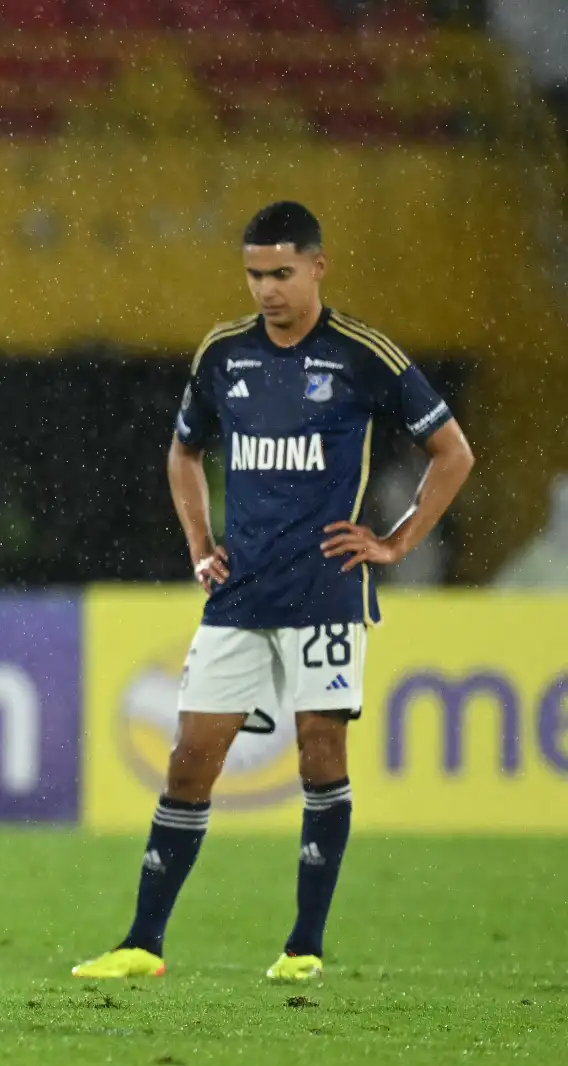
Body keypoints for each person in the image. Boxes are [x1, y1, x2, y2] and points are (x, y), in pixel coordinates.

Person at [72, 201, 475, 984]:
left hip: (325, 591)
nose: (267, 290)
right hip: (240, 594)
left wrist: (394, 541)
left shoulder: (363, 354)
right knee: (190, 760)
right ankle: (142, 945)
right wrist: (199, 546)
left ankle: (304, 947)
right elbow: (183, 453)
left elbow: (451, 452)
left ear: (318, 267)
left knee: (320, 755)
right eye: (255, 274)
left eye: (282, 273)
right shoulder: (225, 355)